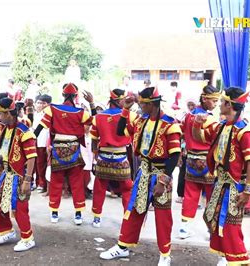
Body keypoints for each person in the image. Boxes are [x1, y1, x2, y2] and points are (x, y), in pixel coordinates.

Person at [100, 87, 181, 266]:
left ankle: (165, 254)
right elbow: (121, 131)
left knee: (163, 217)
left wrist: (164, 180)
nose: (140, 106)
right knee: (134, 209)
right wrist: (125, 109)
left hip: (161, 174)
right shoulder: (140, 120)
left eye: (142, 103)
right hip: (144, 172)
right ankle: (123, 246)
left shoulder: (170, 124)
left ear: (151, 104)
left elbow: (175, 155)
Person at [192, 87, 250, 265]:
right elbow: (199, 137)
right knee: (213, 220)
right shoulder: (220, 126)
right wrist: (197, 123)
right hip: (220, 183)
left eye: (221, 102)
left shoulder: (244, 131)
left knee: (231, 228)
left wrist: (248, 191)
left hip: (236, 186)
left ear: (229, 104)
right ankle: (227, 259)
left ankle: (241, 262)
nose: (219, 104)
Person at [0, 97, 37, 252]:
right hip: (6, 173)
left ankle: (27, 238)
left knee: (19, 207)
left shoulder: (24, 132)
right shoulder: (1, 127)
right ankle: (6, 231)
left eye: (0, 114)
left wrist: (27, 180)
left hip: (21, 175)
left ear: (9, 114)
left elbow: (32, 157)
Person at [34, 83, 93, 225]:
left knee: (56, 181)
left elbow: (40, 127)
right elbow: (94, 121)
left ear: (62, 95)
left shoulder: (52, 109)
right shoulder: (81, 112)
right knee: (76, 182)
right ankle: (78, 214)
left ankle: (54, 212)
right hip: (74, 149)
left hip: (58, 149)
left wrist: (31, 138)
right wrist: (92, 103)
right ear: (76, 96)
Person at [178, 85, 221, 239]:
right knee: (211, 195)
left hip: (191, 159)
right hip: (207, 160)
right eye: (213, 101)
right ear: (204, 99)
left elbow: (181, 133)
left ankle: (183, 227)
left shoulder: (188, 115)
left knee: (190, 194)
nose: (216, 104)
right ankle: (211, 230)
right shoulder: (208, 119)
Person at [90, 89, 134, 228]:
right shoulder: (130, 115)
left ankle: (97, 217)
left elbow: (94, 138)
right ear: (117, 100)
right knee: (127, 188)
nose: (125, 102)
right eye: (123, 100)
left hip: (103, 156)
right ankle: (128, 217)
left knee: (99, 187)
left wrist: (95, 155)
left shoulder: (98, 116)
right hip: (121, 156)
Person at [33, 94, 51, 193]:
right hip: (38, 141)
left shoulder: (48, 114)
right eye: (39, 103)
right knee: (38, 164)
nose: (41, 105)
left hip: (46, 141)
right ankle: (39, 183)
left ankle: (43, 184)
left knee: (43, 164)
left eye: (43, 103)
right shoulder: (36, 114)